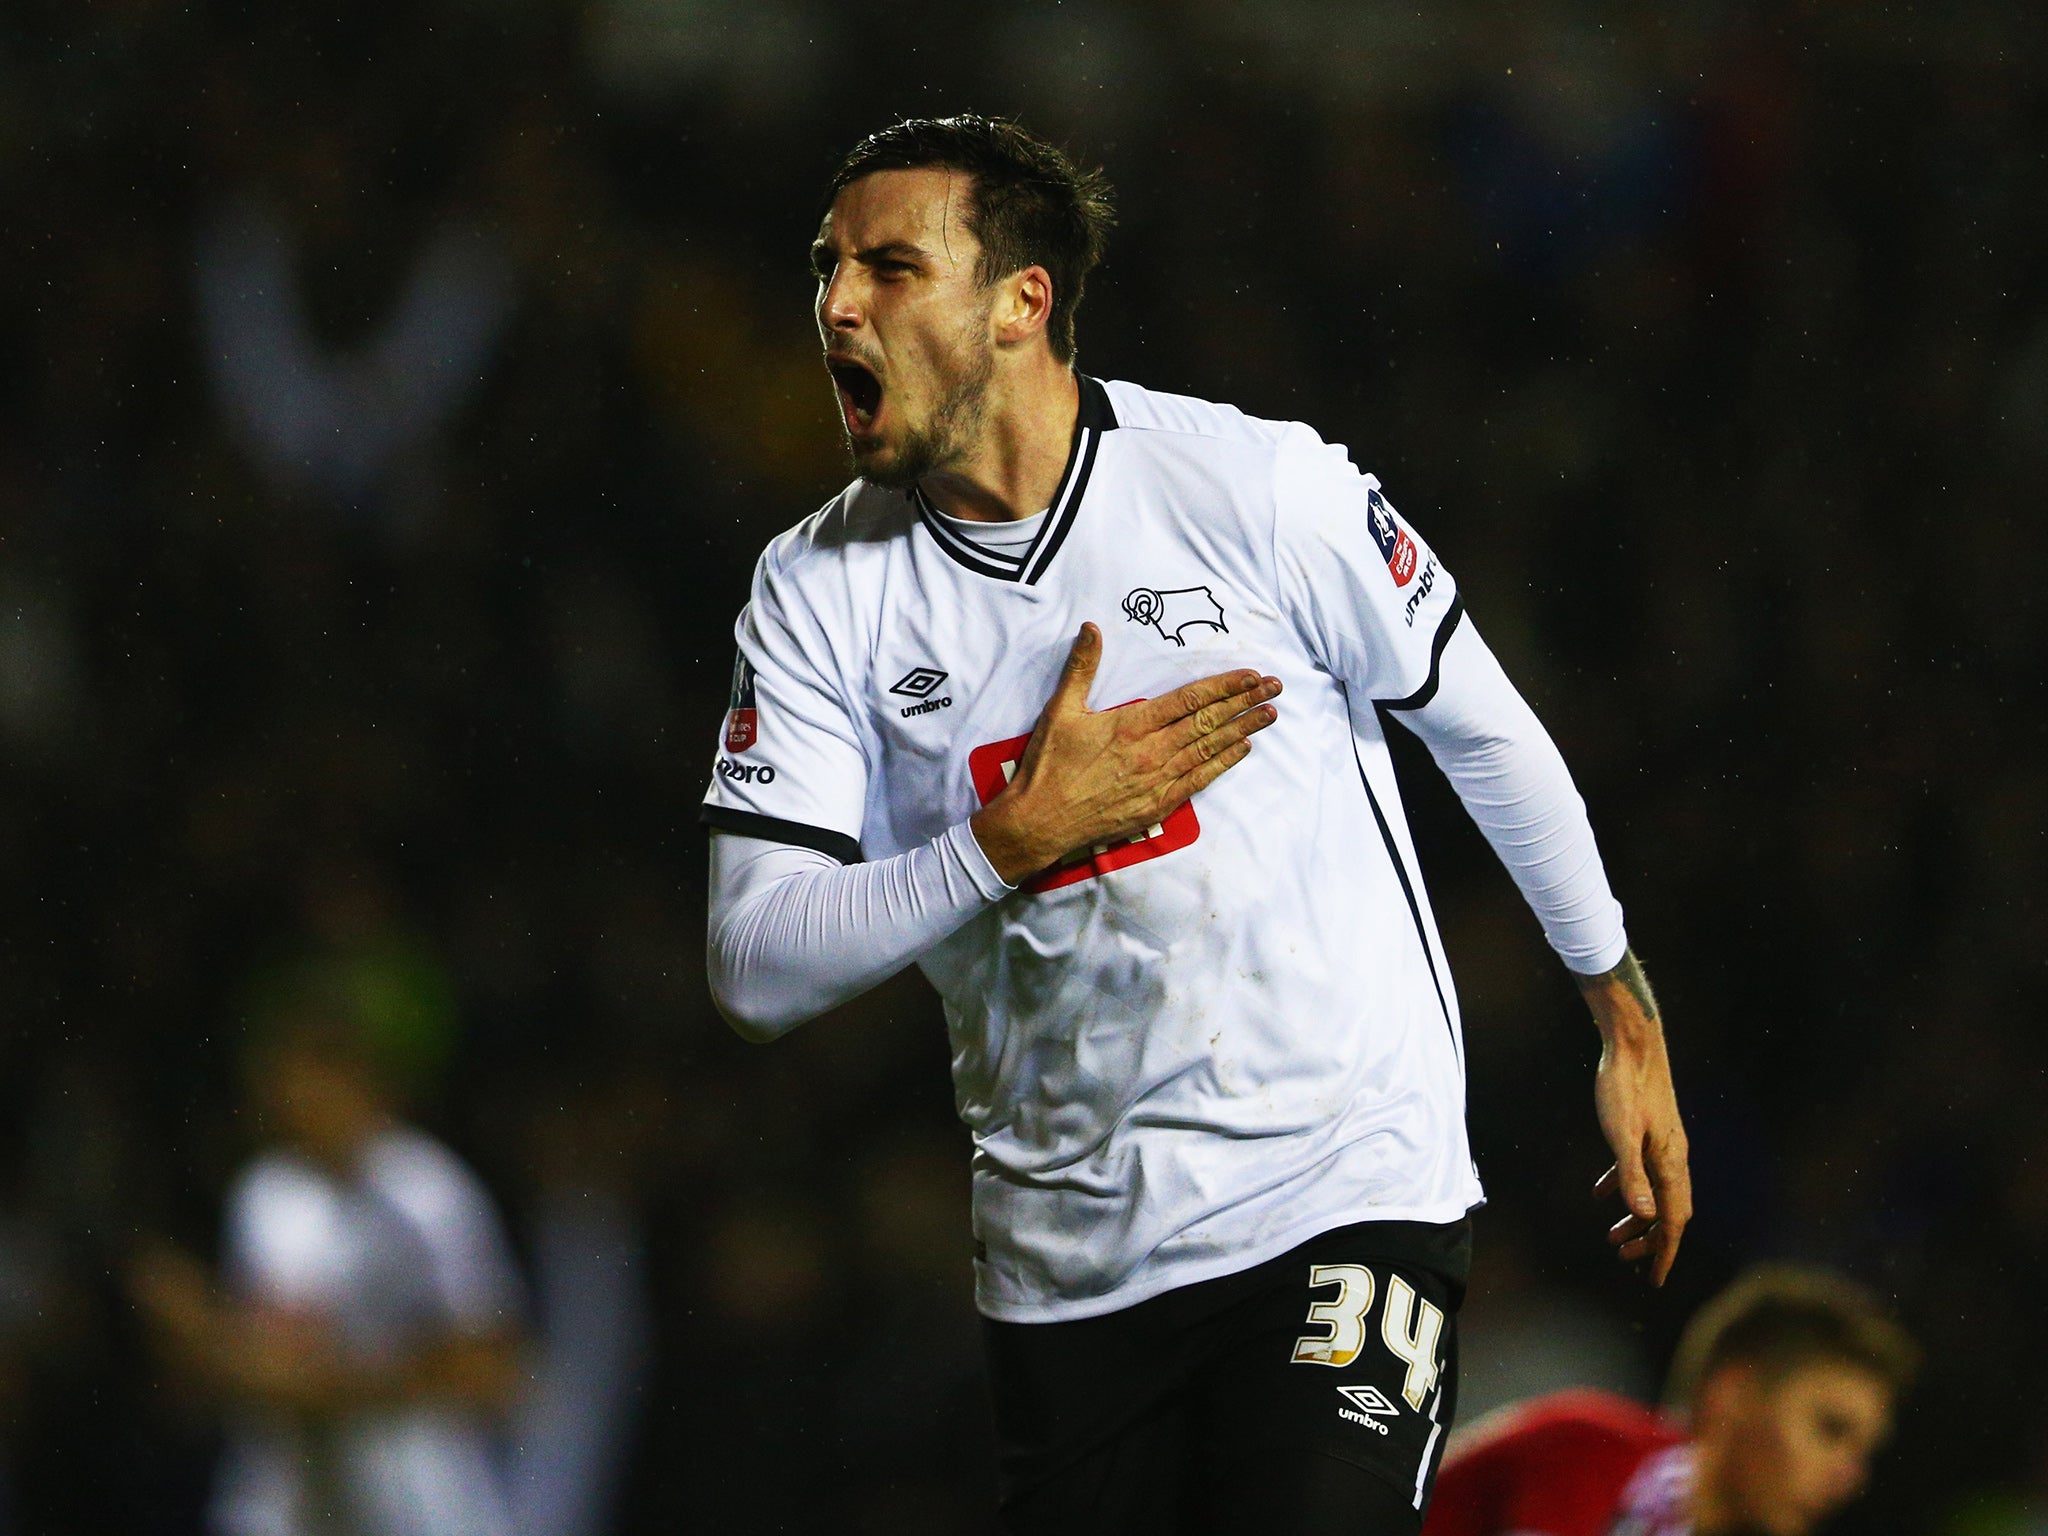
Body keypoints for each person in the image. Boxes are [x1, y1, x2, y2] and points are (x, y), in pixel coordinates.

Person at [699, 114, 1690, 1535]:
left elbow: (1481, 727)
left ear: (1019, 302)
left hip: (1337, 1191)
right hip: (1066, 1271)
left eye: (890, 268)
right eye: (827, 270)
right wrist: (1009, 841)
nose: (836, 305)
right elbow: (755, 962)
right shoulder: (816, 594)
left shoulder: (1256, 487)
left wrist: (1622, 1013)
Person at [131, 961, 527, 1536]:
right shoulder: (266, 1194)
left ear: (352, 1075)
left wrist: (322, 1386)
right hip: (287, 1503)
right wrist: (205, 1334)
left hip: (414, 1503)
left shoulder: (427, 1191)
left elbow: (495, 1370)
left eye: (299, 1073)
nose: (280, 1094)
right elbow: (265, 1355)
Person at [1423, 1265, 1917, 1536]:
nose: (1850, 1478)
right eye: (1830, 1429)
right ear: (1734, 1394)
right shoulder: (1591, 1450)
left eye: (1863, 1452)